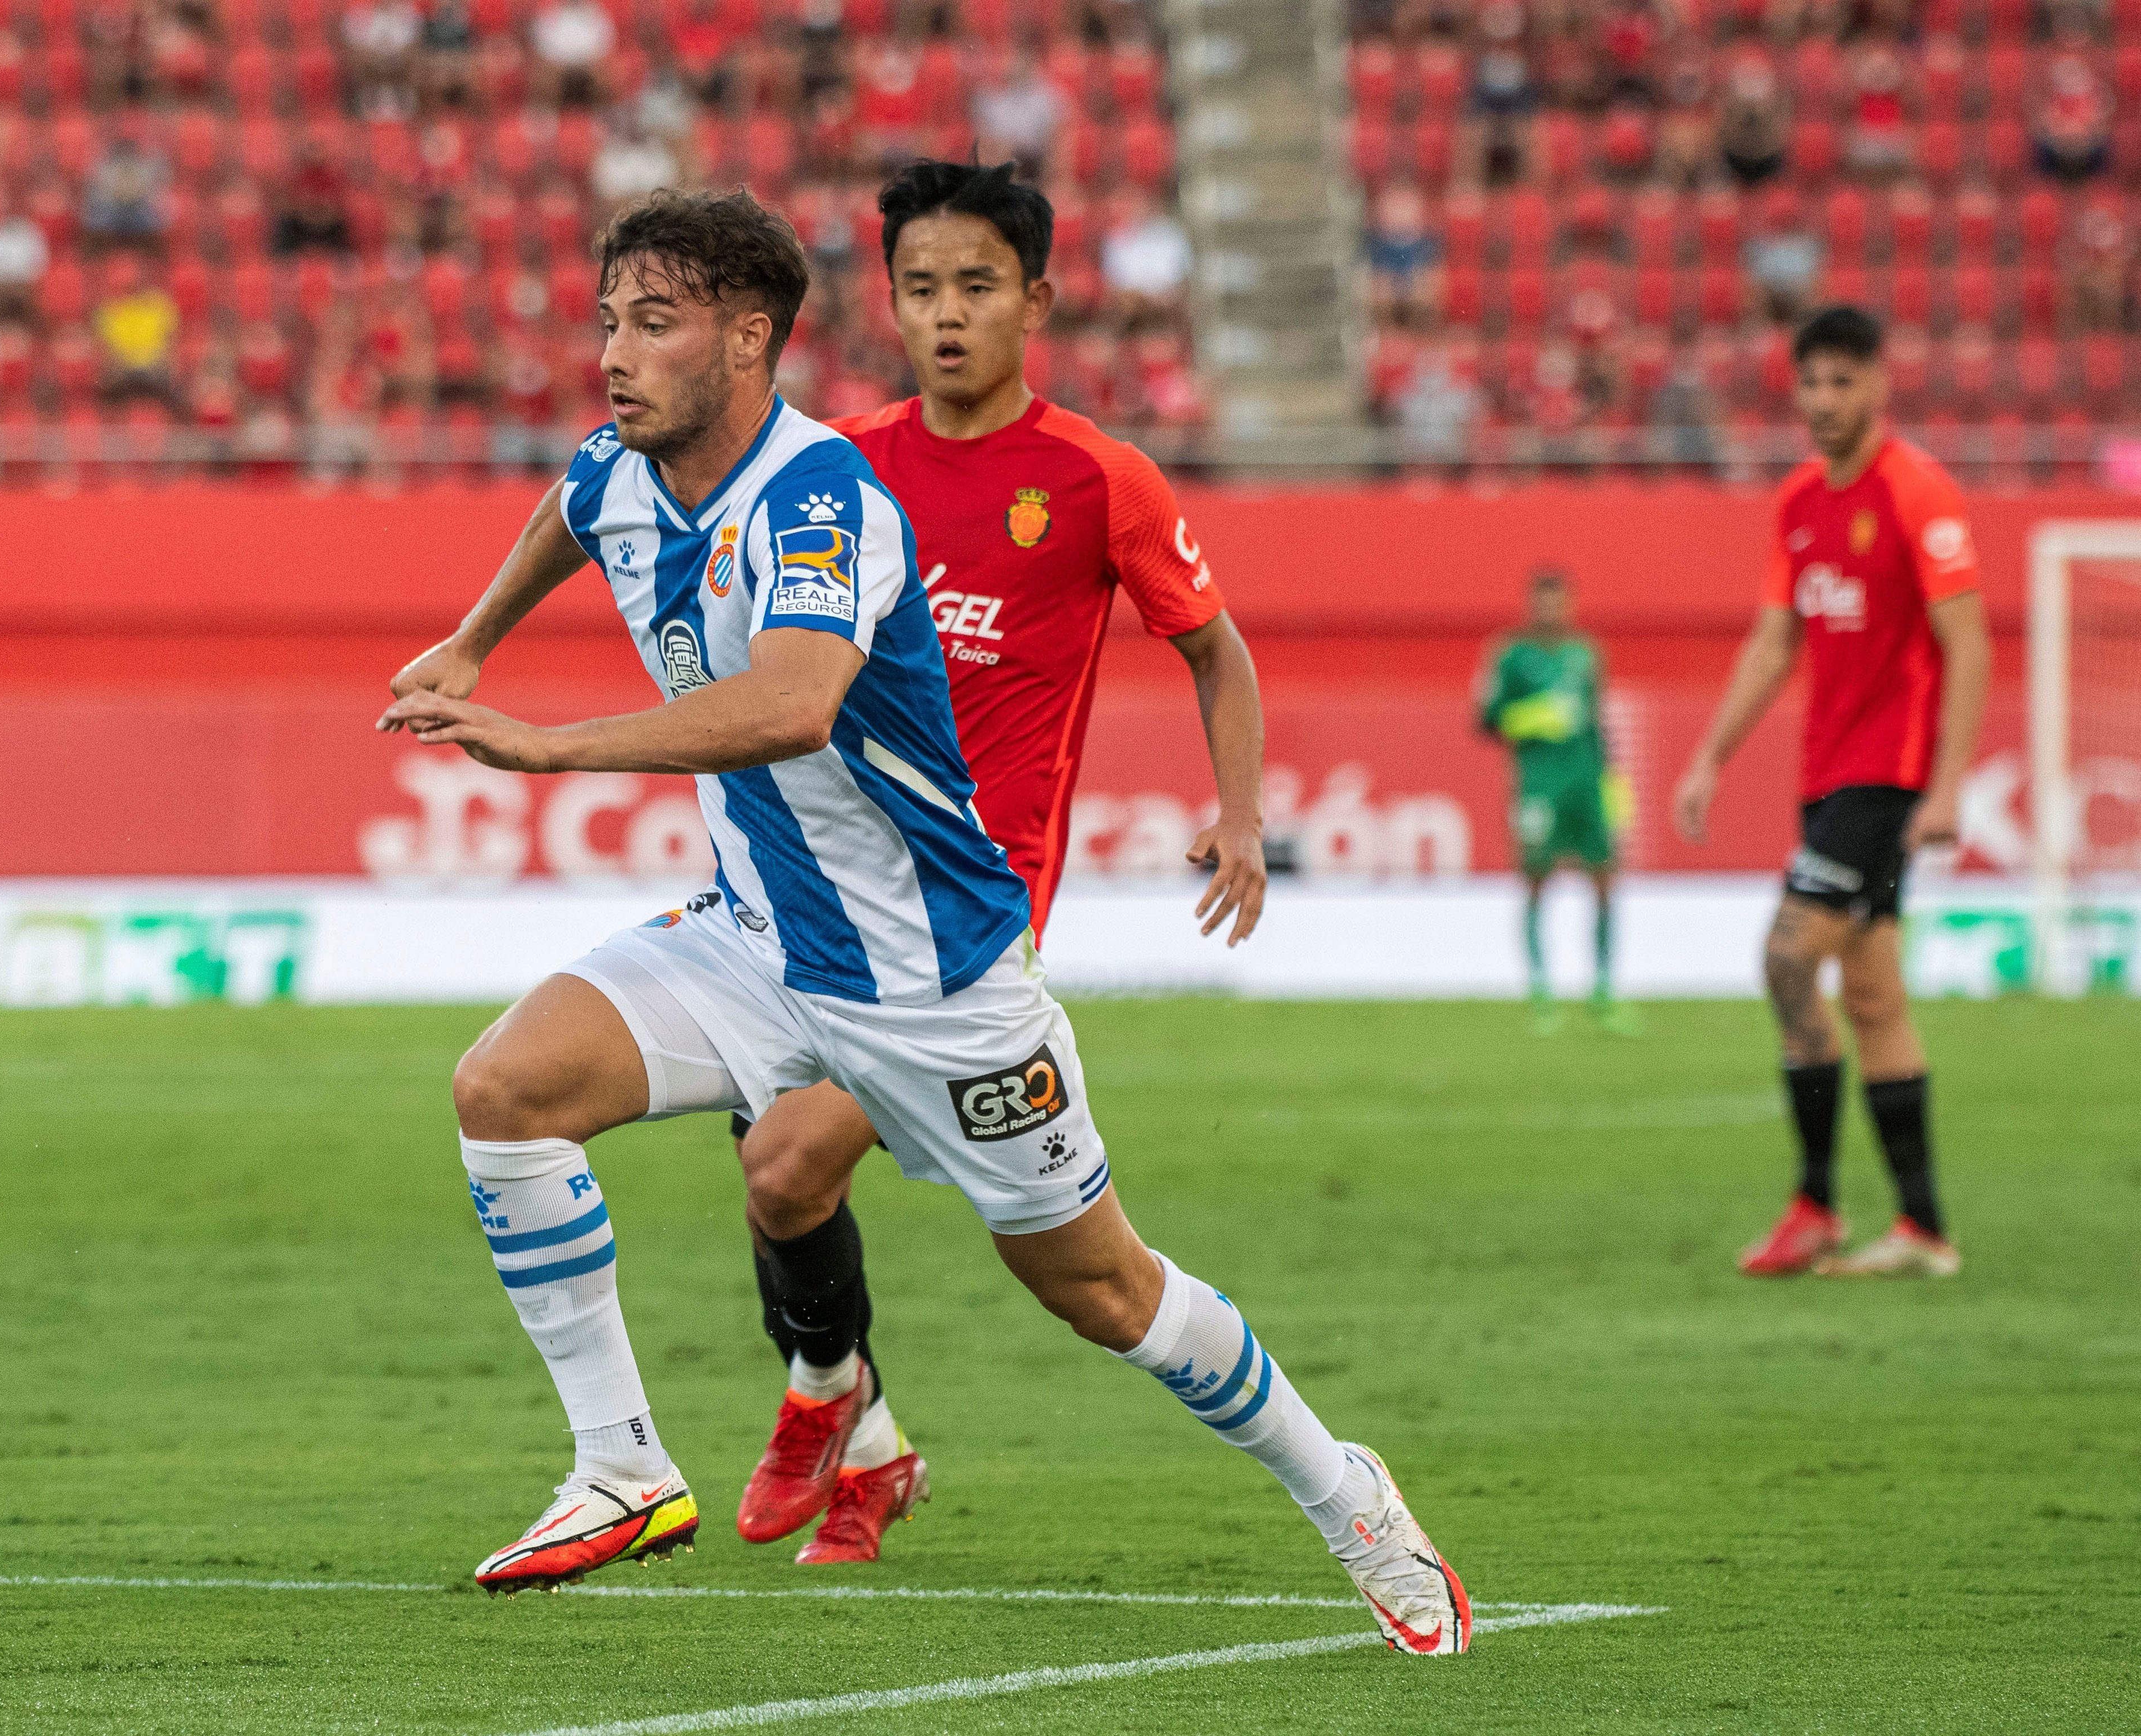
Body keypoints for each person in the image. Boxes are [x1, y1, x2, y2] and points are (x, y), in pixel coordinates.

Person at [380, 188, 1469, 1653]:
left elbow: (791, 704)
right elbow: (572, 502)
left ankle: (1345, 1497)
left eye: (652, 325)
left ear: (750, 340)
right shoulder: (625, 463)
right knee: (504, 1092)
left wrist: (544, 740)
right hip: (757, 937)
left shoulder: (824, 496)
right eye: (607, 324)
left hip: (932, 977)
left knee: (1102, 1293)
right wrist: (466, 635)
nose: (613, 358)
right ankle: (624, 1468)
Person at [725, 158, 1268, 1566]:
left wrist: (1242, 811)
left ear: (1039, 296)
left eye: (976, 286)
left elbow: (1213, 642)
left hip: (971, 911)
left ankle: (831, 1405)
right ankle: (874, 1447)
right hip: (829, 896)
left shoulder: (1097, 480)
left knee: (789, 1166)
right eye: (919, 288)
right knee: (779, 1169)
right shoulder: (835, 471)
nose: (946, 314)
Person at [1673, 306, 1988, 1280]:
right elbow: (1774, 641)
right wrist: (1708, 757)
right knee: (1872, 995)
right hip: (1826, 776)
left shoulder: (1915, 492)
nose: (1822, 400)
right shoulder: (1800, 500)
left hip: (1885, 778)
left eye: (1842, 381)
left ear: (1877, 386)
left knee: (1784, 957)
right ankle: (1923, 1230)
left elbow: (1966, 643)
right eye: (1809, 382)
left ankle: (1813, 1202)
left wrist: (1942, 791)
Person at [1477, 567, 1634, 1034]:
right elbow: (1486, 719)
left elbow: (1597, 720)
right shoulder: (1509, 656)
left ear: (1569, 603)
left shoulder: (1585, 653)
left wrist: (1612, 785)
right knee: (1535, 880)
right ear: (1531, 604)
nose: (1551, 610)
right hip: (1539, 786)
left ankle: (1604, 990)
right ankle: (1541, 992)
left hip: (1586, 783)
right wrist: (1533, 717)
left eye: (1559, 600)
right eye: (1543, 601)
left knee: (1604, 879)